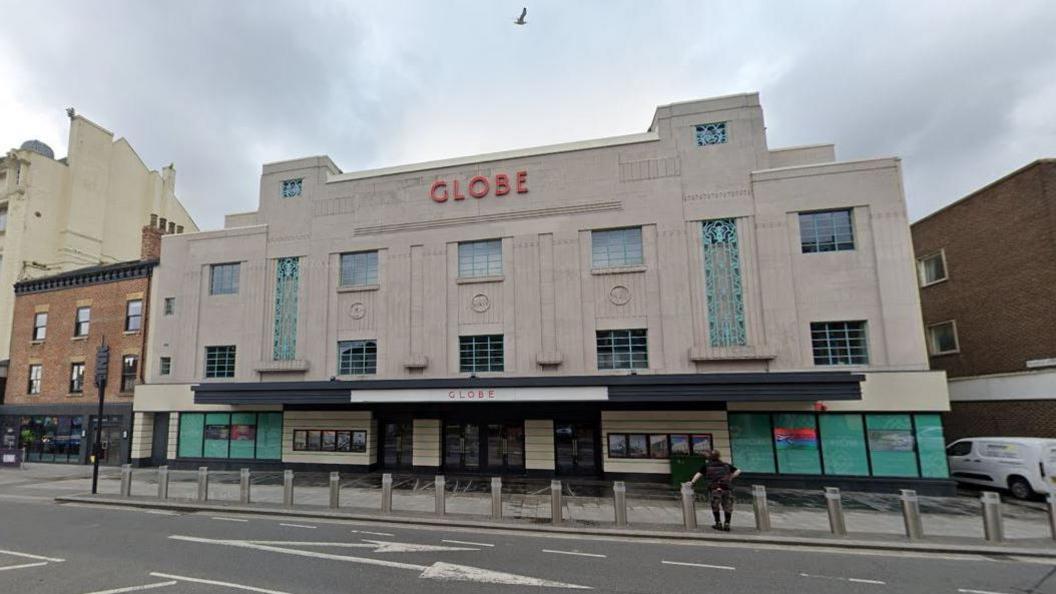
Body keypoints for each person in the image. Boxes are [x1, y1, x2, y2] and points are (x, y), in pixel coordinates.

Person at [686, 450, 741, 531]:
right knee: (728, 506)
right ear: (719, 456)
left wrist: (692, 482)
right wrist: (730, 477)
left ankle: (718, 523)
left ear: (709, 457)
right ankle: (727, 523)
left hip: (714, 488)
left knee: (715, 506)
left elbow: (698, 474)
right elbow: (738, 471)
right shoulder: (726, 465)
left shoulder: (707, 466)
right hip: (726, 488)